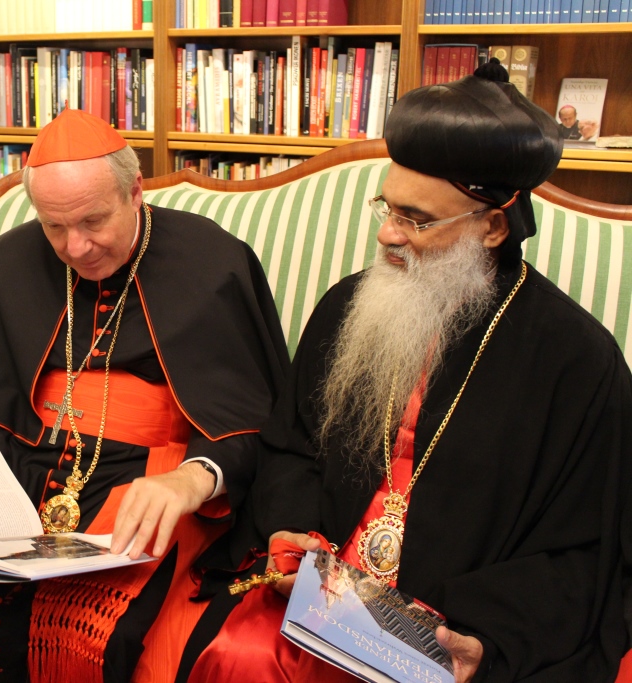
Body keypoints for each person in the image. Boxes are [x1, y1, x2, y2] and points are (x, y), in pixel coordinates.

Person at [186, 67, 631, 682]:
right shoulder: (347, 307)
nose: (386, 233)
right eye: (387, 207)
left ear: (493, 226)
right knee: (239, 655)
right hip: (322, 599)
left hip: (451, 627)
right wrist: (295, 531)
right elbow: (290, 446)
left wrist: (490, 635)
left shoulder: (578, 361)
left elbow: (583, 553)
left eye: (417, 220)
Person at [0, 107, 291, 683]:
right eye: (53, 227)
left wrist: (192, 478)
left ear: (135, 191)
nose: (76, 247)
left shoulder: (213, 262)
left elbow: (251, 419)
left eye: (94, 221)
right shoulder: (8, 262)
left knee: (99, 627)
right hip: (20, 469)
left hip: (149, 479)